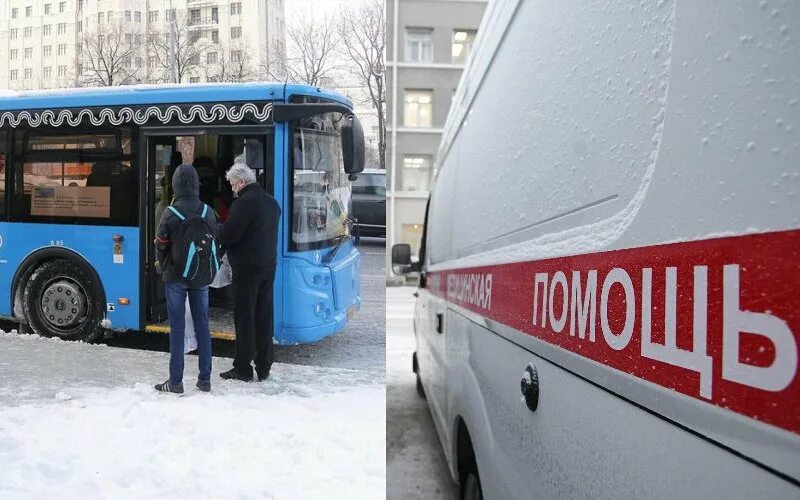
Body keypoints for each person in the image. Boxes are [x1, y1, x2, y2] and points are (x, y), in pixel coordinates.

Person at [153, 164, 217, 394]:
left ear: (176, 185)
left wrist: (163, 265)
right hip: (200, 276)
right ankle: (205, 379)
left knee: (177, 328)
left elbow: (160, 244)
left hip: (175, 277)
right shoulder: (207, 211)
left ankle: (176, 382)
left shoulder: (171, 213)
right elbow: (216, 240)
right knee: (202, 326)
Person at [215, 162, 281, 382]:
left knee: (245, 317)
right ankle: (264, 366)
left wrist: (216, 227)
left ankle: (243, 367)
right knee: (264, 316)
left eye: (233, 184)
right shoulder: (272, 203)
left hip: (247, 269)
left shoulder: (244, 203)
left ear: (242, 182)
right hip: (268, 266)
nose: (232, 188)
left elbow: (229, 234)